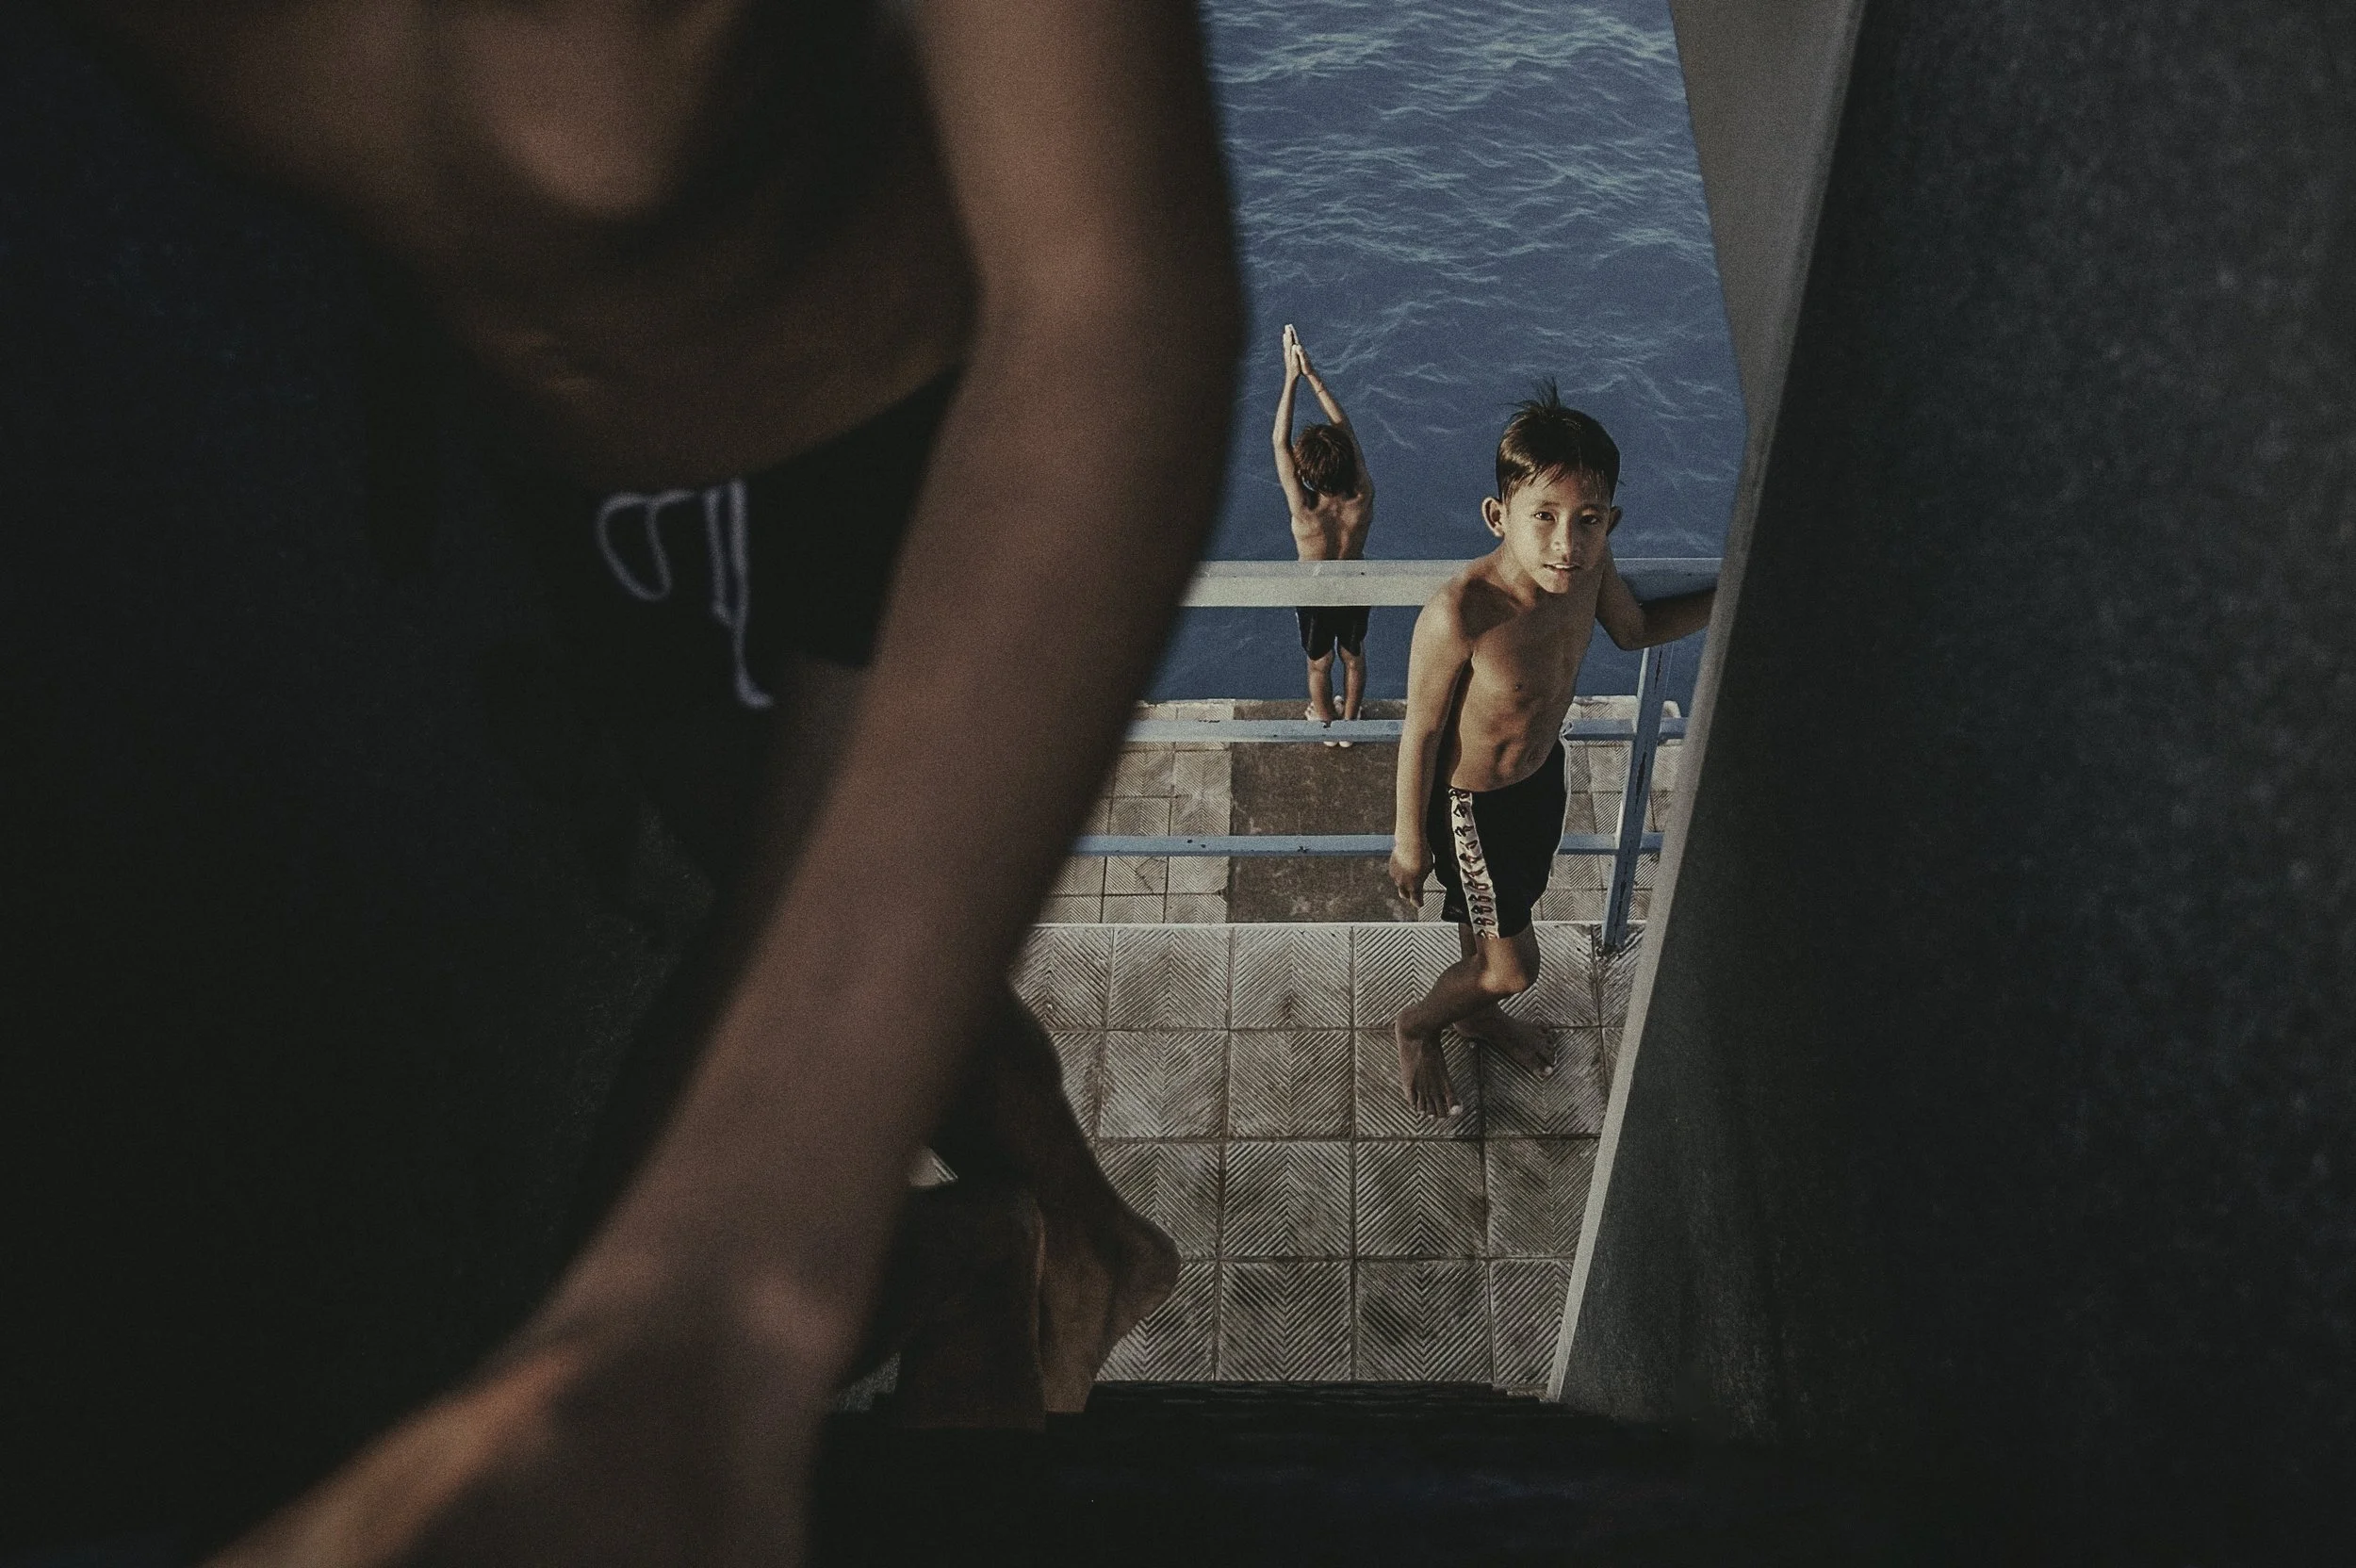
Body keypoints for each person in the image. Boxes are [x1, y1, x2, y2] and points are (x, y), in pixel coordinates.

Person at [30, 0, 1241, 1561]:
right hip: (547, 490)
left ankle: (1046, 1239)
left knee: (679, 1127)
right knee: (757, 891)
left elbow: (1108, 306)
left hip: (862, 460)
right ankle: (1068, 1226)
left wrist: (715, 1311)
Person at [1385, 384, 1713, 1118]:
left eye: (1587, 520)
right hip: (1473, 810)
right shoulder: (1462, 612)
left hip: (1539, 781)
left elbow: (1634, 630)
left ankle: (1476, 1017)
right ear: (1498, 516)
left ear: (1609, 522)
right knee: (1512, 967)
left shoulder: (1588, 572)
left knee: (1497, 920)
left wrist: (1729, 597)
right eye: (1544, 516)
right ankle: (1419, 1024)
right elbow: (1423, 730)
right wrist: (1409, 840)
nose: (1566, 542)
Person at [1271, 324, 1375, 744]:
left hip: (1314, 593)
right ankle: (1350, 725)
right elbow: (1344, 427)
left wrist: (1291, 378)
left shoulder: (1305, 511)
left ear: (1306, 474)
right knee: (1354, 658)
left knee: (1319, 664)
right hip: (1354, 585)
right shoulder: (1362, 497)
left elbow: (1279, 442)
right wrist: (1314, 376)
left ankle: (1327, 724)